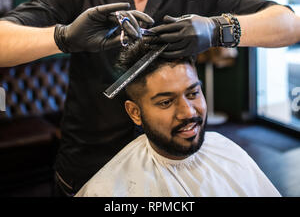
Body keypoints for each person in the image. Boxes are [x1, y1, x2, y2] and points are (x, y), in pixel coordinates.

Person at [0, 0, 299, 195]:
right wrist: (63, 38)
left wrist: (217, 30)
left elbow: (289, 24)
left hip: (177, 167)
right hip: (90, 169)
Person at [75, 40, 281, 197]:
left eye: (193, 94)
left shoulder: (227, 150)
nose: (188, 112)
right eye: (166, 102)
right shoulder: (109, 189)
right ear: (135, 113)